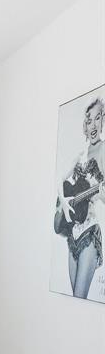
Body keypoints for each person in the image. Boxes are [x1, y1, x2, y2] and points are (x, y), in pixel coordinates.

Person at [56, 97, 105, 299]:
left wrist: (100, 194)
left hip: (89, 233)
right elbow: (60, 180)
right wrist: (64, 203)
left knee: (79, 296)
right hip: (72, 235)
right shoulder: (80, 154)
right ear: (85, 125)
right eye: (89, 120)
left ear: (103, 121)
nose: (92, 124)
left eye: (97, 118)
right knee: (74, 300)